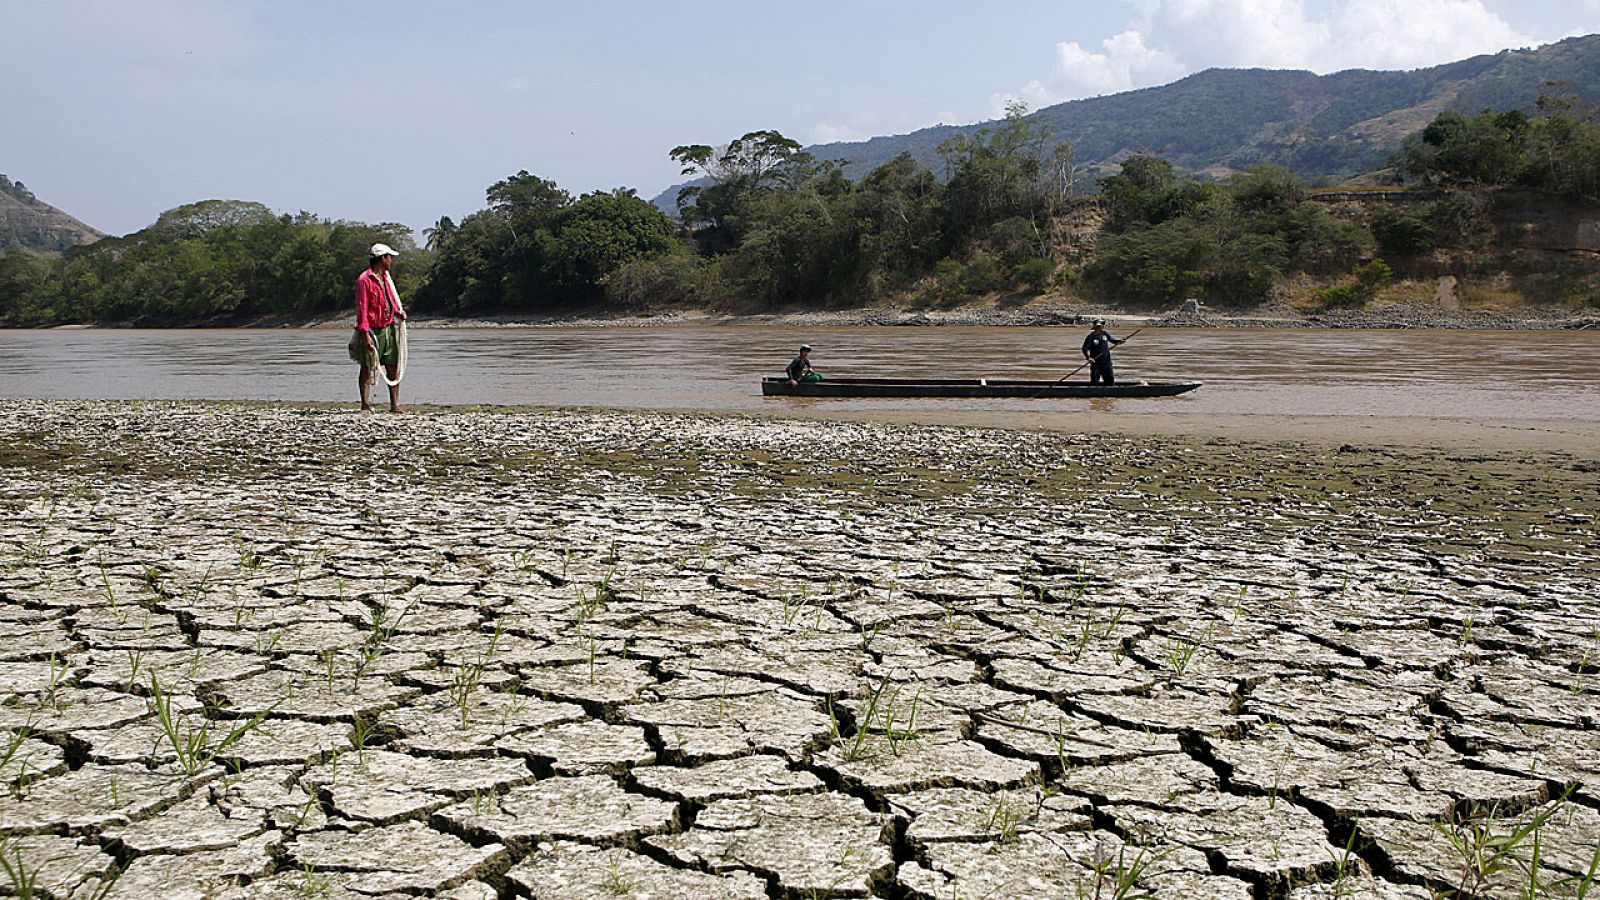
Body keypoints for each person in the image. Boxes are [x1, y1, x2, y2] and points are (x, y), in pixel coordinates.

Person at [349, 243, 407, 412]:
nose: (391, 260)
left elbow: (389, 298)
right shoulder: (364, 280)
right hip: (373, 330)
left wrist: (397, 313)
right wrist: (365, 334)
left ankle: (395, 405)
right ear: (383, 259)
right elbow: (363, 308)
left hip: (388, 327)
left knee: (392, 366)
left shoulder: (386, 278)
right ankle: (365, 403)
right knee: (368, 366)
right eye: (389, 257)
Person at [1082, 319, 1125, 385]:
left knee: (1110, 382)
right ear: (1097, 327)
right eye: (1101, 326)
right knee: (1095, 383)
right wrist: (1089, 358)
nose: (1103, 327)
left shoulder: (1105, 334)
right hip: (1096, 364)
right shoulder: (1091, 337)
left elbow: (1113, 340)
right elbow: (1084, 349)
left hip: (1107, 363)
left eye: (1103, 325)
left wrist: (1119, 341)